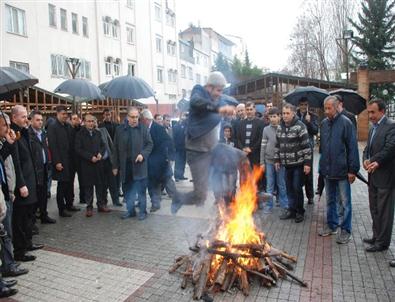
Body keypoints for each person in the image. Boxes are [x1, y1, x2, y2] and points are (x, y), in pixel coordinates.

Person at [172, 71, 234, 213]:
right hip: (197, 152)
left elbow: (223, 105)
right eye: (218, 90)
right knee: (200, 197)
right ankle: (178, 198)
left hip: (212, 150)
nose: (219, 93)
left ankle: (225, 207)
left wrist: (228, 110)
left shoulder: (219, 100)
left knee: (229, 169)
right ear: (209, 87)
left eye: (222, 91)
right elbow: (195, 102)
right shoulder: (198, 91)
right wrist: (218, 108)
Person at [318, 96, 360, 244]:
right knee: (330, 200)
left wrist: (352, 170)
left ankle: (346, 230)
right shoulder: (323, 124)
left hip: (342, 171)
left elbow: (353, 148)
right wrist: (322, 167)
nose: (326, 111)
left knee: (345, 202)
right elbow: (322, 148)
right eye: (325, 108)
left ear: (337, 107)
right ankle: (332, 225)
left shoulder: (346, 123)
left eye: (329, 108)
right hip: (328, 170)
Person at [362, 99, 395, 253]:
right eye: (369, 112)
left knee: (384, 211)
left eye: (373, 112)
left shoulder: (391, 126)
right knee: (374, 208)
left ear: (382, 111)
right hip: (373, 175)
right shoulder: (372, 128)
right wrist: (365, 160)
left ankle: (382, 243)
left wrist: (374, 161)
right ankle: (376, 236)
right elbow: (367, 148)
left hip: (385, 177)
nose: (370, 115)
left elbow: (389, 149)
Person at [10, 105, 43, 262]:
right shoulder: (13, 134)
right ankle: (20, 251)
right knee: (21, 219)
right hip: (22, 184)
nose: (26, 120)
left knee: (30, 216)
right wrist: (21, 184)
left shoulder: (24, 132)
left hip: (31, 180)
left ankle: (28, 243)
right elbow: (16, 162)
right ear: (14, 118)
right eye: (23, 117)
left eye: (26, 117)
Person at [0, 113, 29, 278]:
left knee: (7, 233)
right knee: (6, 233)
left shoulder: (4, 142)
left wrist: (10, 143)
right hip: (3, 194)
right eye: (5, 125)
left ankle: (8, 264)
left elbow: (4, 157)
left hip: (5, 193)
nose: (8, 129)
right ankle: (7, 266)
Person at [112, 107, 153, 220]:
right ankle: (130, 211)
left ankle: (143, 212)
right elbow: (115, 149)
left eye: (136, 117)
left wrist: (142, 155)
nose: (135, 119)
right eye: (132, 117)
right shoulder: (120, 129)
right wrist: (115, 166)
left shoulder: (143, 129)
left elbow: (150, 144)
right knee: (127, 190)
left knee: (141, 190)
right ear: (127, 117)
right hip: (125, 166)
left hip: (139, 165)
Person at [275, 103, 311, 223]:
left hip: (298, 164)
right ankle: (291, 210)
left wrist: (307, 164)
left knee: (296, 188)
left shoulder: (300, 126)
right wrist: (277, 160)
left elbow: (306, 146)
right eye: (283, 113)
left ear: (293, 113)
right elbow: (277, 145)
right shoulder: (280, 127)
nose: (284, 116)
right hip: (286, 165)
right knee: (289, 188)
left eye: (287, 113)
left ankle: (300, 211)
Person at [140, 109, 176, 212]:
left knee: (167, 179)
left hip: (161, 160)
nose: (140, 121)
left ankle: (175, 197)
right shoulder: (143, 129)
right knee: (152, 183)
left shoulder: (158, 128)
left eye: (141, 119)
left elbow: (168, 142)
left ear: (146, 119)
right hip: (149, 162)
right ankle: (155, 203)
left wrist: (169, 156)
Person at [75, 114, 109, 217]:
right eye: (88, 121)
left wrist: (100, 153)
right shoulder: (80, 134)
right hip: (87, 165)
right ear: (84, 122)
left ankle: (100, 205)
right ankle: (89, 207)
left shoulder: (97, 133)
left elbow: (103, 146)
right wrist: (90, 157)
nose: (90, 123)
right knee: (88, 187)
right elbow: (78, 149)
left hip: (98, 164)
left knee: (99, 185)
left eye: (92, 121)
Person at [47, 106, 78, 217]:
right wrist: (57, 162)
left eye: (66, 114)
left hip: (70, 161)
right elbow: (53, 146)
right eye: (63, 113)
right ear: (57, 114)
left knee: (69, 184)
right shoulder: (53, 127)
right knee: (62, 186)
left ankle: (69, 204)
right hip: (60, 161)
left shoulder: (68, 126)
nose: (65, 116)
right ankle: (62, 209)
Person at [28, 111, 55, 224]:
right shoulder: (28, 134)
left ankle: (44, 215)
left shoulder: (43, 133)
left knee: (43, 195)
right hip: (34, 170)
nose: (40, 122)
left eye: (41, 120)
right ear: (31, 120)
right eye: (37, 120)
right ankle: (32, 221)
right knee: (34, 197)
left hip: (44, 168)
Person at [260, 107, 288, 215]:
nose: (272, 119)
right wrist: (262, 162)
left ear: (279, 117)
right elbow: (263, 146)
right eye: (270, 117)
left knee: (281, 184)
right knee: (269, 185)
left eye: (274, 116)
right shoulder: (266, 130)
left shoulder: (283, 128)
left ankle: (284, 205)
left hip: (281, 162)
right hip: (269, 161)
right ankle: (269, 205)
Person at [296, 98, 318, 204]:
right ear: (299, 105)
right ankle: (298, 196)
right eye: (301, 104)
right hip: (296, 148)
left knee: (308, 173)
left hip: (308, 148)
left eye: (305, 104)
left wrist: (309, 122)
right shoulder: (294, 115)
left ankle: (310, 196)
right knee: (297, 173)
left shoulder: (313, 116)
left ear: (308, 105)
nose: (303, 106)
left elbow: (315, 131)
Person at [95, 118, 122, 207]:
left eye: (94, 122)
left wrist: (114, 158)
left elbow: (110, 143)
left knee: (113, 182)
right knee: (102, 184)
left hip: (108, 160)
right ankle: (103, 201)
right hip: (99, 162)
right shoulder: (89, 134)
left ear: (97, 123)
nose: (93, 124)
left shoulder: (103, 130)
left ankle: (116, 200)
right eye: (91, 122)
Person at [235, 102, 264, 168]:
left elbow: (260, 139)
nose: (249, 111)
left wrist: (251, 149)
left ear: (255, 110)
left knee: (256, 177)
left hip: (256, 155)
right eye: (247, 109)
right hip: (244, 155)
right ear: (245, 110)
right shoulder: (240, 123)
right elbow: (238, 138)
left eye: (251, 109)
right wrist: (243, 148)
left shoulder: (260, 123)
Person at [70, 113, 84, 205]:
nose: (76, 120)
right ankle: (71, 199)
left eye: (77, 118)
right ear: (71, 120)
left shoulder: (82, 130)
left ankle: (83, 198)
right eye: (74, 118)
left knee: (82, 179)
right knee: (70, 181)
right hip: (71, 159)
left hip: (81, 159)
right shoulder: (68, 130)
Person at [173, 112, 188, 181]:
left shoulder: (186, 125)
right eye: (184, 116)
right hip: (178, 147)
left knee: (183, 161)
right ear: (180, 116)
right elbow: (174, 137)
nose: (185, 117)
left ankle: (181, 175)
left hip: (184, 147)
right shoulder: (176, 126)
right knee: (178, 162)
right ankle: (177, 176)